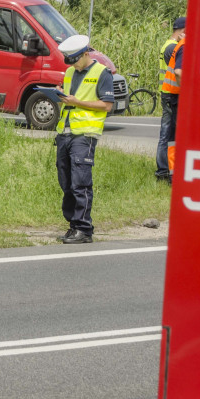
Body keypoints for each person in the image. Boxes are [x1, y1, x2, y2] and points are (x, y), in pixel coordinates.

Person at [54, 34, 115, 244]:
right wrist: (60, 96)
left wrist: (77, 102)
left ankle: (84, 229)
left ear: (86, 53)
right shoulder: (70, 71)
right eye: (69, 60)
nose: (72, 64)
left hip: (85, 135)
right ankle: (73, 226)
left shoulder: (102, 73)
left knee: (81, 183)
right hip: (65, 133)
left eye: (75, 59)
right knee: (67, 183)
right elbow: (68, 101)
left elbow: (107, 105)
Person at [155, 17, 186, 181]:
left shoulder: (168, 45)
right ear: (183, 30)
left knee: (167, 134)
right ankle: (164, 170)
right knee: (168, 135)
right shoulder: (175, 47)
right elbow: (178, 72)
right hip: (173, 93)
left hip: (167, 91)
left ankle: (165, 170)